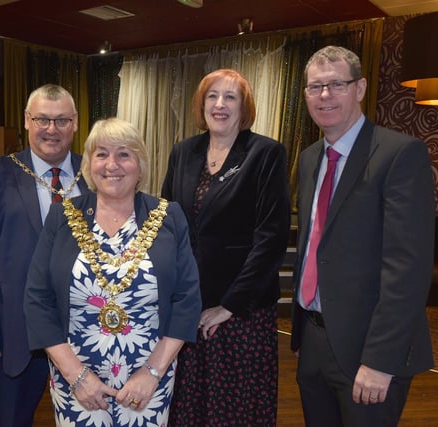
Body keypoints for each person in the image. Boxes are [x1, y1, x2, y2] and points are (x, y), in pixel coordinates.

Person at [24, 117, 202, 426]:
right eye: (101, 153)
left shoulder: (169, 216)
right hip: (76, 376)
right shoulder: (62, 216)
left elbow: (187, 301)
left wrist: (152, 373)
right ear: (89, 162)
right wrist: (75, 375)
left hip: (150, 376)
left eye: (124, 154)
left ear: (140, 163)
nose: (112, 164)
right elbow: (37, 299)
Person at [291, 45, 435, 426]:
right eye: (315, 87)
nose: (324, 96)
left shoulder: (399, 154)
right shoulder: (309, 159)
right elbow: (316, 247)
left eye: (337, 84)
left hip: (368, 350)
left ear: (360, 88)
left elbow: (408, 268)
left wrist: (380, 360)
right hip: (314, 339)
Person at [161, 68, 291, 426]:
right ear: (201, 105)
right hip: (189, 305)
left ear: (244, 106)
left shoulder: (265, 153)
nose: (219, 104)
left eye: (230, 97)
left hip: (241, 313)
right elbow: (167, 222)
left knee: (232, 412)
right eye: (212, 96)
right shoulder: (183, 152)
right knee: (189, 407)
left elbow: (271, 238)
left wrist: (229, 306)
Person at [0, 83, 89, 426]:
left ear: (75, 122)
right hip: (13, 330)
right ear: (27, 121)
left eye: (61, 120)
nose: (51, 129)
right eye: (42, 119)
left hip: (85, 331)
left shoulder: (96, 172)